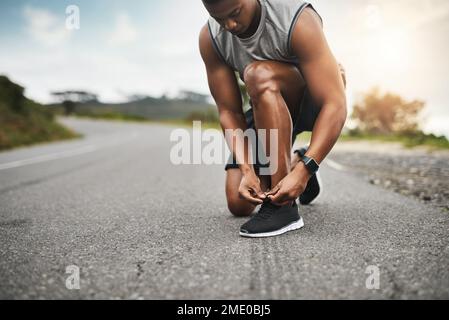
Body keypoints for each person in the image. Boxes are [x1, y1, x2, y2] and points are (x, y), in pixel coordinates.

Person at [199, 0, 347, 238]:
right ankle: (295, 158)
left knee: (257, 74)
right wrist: (248, 170)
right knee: (239, 203)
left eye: (235, 13)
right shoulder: (211, 38)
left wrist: (305, 171)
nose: (230, 25)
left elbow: (335, 104)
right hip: (265, 111)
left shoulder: (296, 18)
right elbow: (230, 112)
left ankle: (283, 210)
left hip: (311, 101)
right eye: (220, 19)